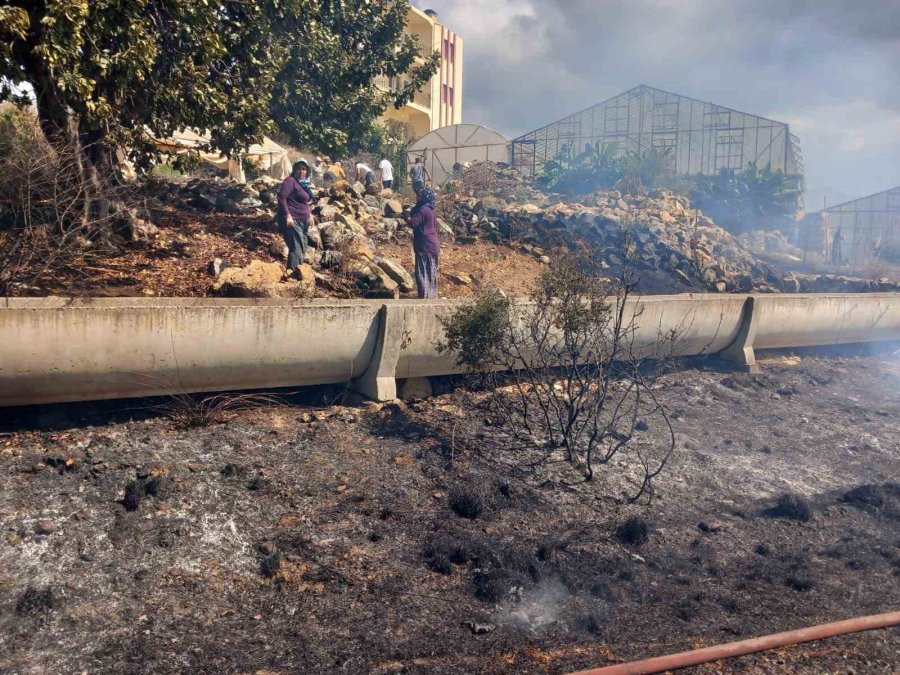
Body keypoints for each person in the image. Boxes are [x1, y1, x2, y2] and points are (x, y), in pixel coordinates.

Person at [277, 159, 315, 278]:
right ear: (294, 170)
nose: (301, 171)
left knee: (303, 246)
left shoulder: (303, 184)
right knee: (296, 247)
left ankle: (296, 272)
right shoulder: (290, 181)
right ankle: (292, 273)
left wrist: (310, 214)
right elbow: (281, 198)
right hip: (293, 220)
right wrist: (288, 216)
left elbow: (306, 202)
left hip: (304, 220)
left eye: (304, 169)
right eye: (299, 168)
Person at [409, 185, 440, 299]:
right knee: (431, 275)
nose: (417, 197)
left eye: (419, 195)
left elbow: (413, 223)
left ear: (423, 197)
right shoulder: (432, 209)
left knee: (422, 274)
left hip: (424, 246)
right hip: (433, 245)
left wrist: (406, 217)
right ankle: (432, 298)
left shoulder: (423, 209)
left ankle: (424, 299)